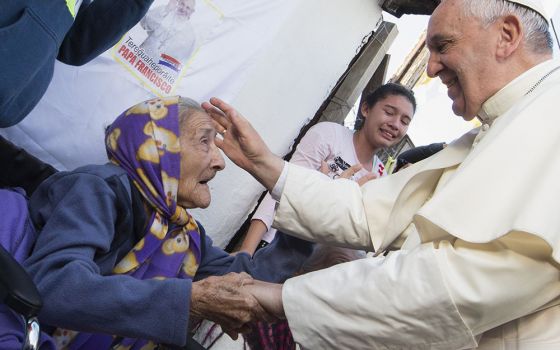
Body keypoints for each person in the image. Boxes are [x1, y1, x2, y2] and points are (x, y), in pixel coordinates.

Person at [203, 0, 560, 348]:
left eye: (443, 46)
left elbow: (463, 285)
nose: (431, 68)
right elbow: (370, 212)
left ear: (507, 35)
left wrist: (281, 299)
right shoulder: (490, 130)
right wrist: (265, 164)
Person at [20, 96, 312, 349]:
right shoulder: (99, 189)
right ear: (160, 146)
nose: (220, 161)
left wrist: (309, 218)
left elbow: (248, 279)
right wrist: (187, 301)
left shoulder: (183, 234)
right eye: (204, 142)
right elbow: (54, 284)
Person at [239, 83, 416, 255]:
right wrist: (247, 251)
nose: (395, 124)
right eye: (389, 112)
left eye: (404, 121)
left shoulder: (380, 177)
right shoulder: (329, 135)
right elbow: (281, 187)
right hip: (273, 247)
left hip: (310, 271)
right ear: (366, 109)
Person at [140, 0, 197, 65]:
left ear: (192, 12)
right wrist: (167, 9)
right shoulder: (165, 10)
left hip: (159, 68)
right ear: (178, 2)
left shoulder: (190, 35)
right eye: (182, 4)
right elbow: (144, 22)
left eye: (188, 8)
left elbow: (182, 59)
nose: (183, 9)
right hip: (141, 55)